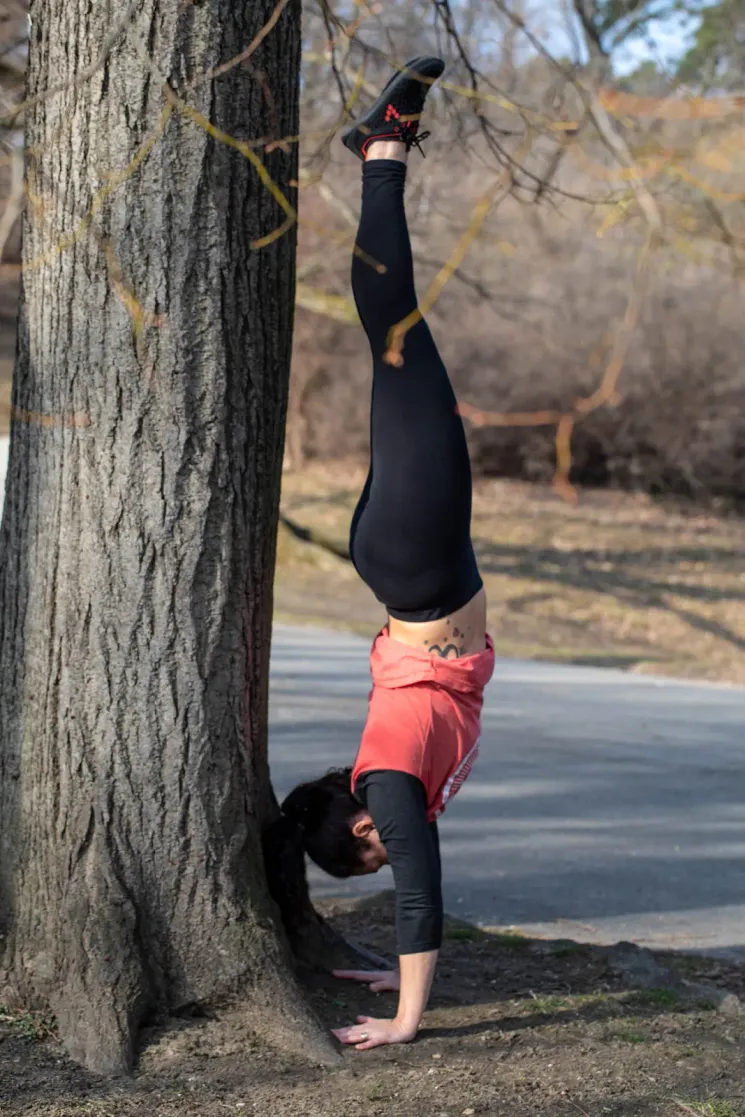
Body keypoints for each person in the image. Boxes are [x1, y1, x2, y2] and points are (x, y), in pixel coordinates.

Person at [281, 56, 495, 1051]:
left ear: (361, 834)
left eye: (369, 862)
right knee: (397, 342)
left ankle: (379, 154)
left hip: (418, 563)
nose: (393, 860)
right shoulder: (385, 783)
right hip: (413, 561)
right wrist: (380, 971)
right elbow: (413, 899)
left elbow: (422, 899)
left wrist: (405, 1019)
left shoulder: (388, 790)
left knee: (396, 333)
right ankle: (373, 154)